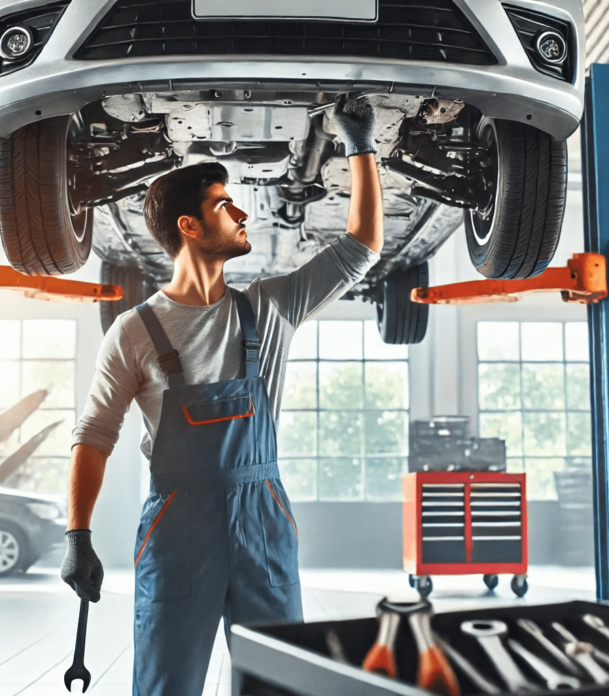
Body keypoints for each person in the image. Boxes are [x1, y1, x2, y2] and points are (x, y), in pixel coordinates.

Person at [60, 93, 384, 695]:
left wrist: (361, 146)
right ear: (190, 226)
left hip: (263, 520)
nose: (242, 215)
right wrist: (78, 537)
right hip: (178, 531)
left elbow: (363, 246)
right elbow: (94, 437)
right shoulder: (135, 331)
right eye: (224, 205)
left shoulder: (270, 306)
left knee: (277, 680)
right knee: (166, 684)